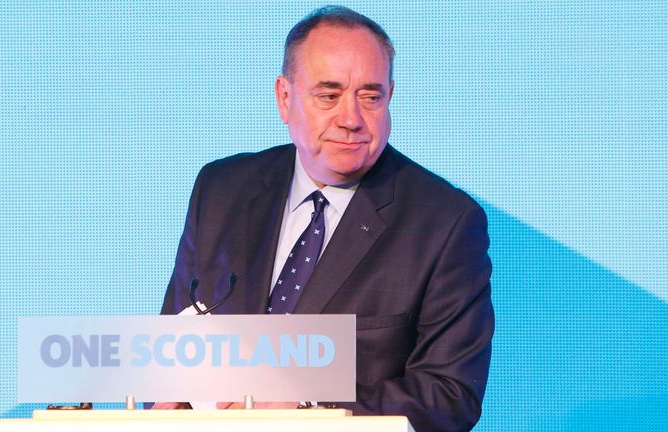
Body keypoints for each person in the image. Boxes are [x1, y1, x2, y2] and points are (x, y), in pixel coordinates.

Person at [159, 5, 494, 431]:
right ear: (285, 98)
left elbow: (450, 397)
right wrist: (170, 396)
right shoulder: (222, 188)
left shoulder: (445, 223)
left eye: (370, 97)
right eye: (329, 95)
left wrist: (308, 410)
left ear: (391, 96)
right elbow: (173, 343)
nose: (351, 119)